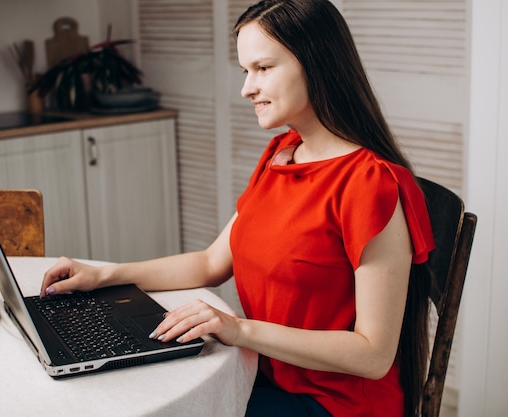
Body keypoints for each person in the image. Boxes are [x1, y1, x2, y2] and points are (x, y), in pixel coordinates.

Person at [40, 0, 436, 416]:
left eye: (263, 68)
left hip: (335, 404)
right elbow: (212, 262)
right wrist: (105, 275)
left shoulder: (371, 184)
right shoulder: (281, 155)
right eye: (246, 71)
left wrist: (240, 329)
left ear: (317, 64)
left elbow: (373, 355)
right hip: (264, 374)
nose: (247, 88)